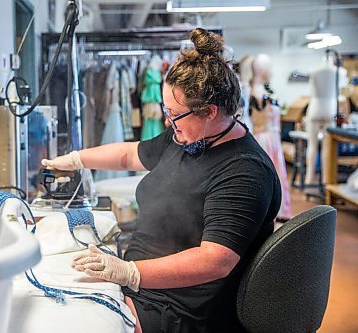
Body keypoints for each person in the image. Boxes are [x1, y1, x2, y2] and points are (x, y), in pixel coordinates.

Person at [42, 28, 281, 333]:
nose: (168, 122)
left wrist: (129, 273)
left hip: (182, 308)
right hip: (144, 285)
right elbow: (129, 156)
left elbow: (214, 260)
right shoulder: (189, 136)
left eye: (174, 115)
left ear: (209, 111)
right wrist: (75, 160)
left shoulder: (244, 172)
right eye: (167, 111)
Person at [249, 53, 291, 220]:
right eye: (269, 68)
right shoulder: (255, 94)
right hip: (264, 139)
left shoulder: (264, 92)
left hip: (272, 138)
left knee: (278, 174)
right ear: (261, 69)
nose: (271, 72)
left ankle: (280, 209)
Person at [305, 54, 348, 186]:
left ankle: (309, 177)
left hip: (315, 107)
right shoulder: (340, 72)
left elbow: (311, 90)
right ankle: (325, 179)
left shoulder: (314, 71)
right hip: (330, 108)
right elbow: (341, 87)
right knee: (327, 147)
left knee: (311, 145)